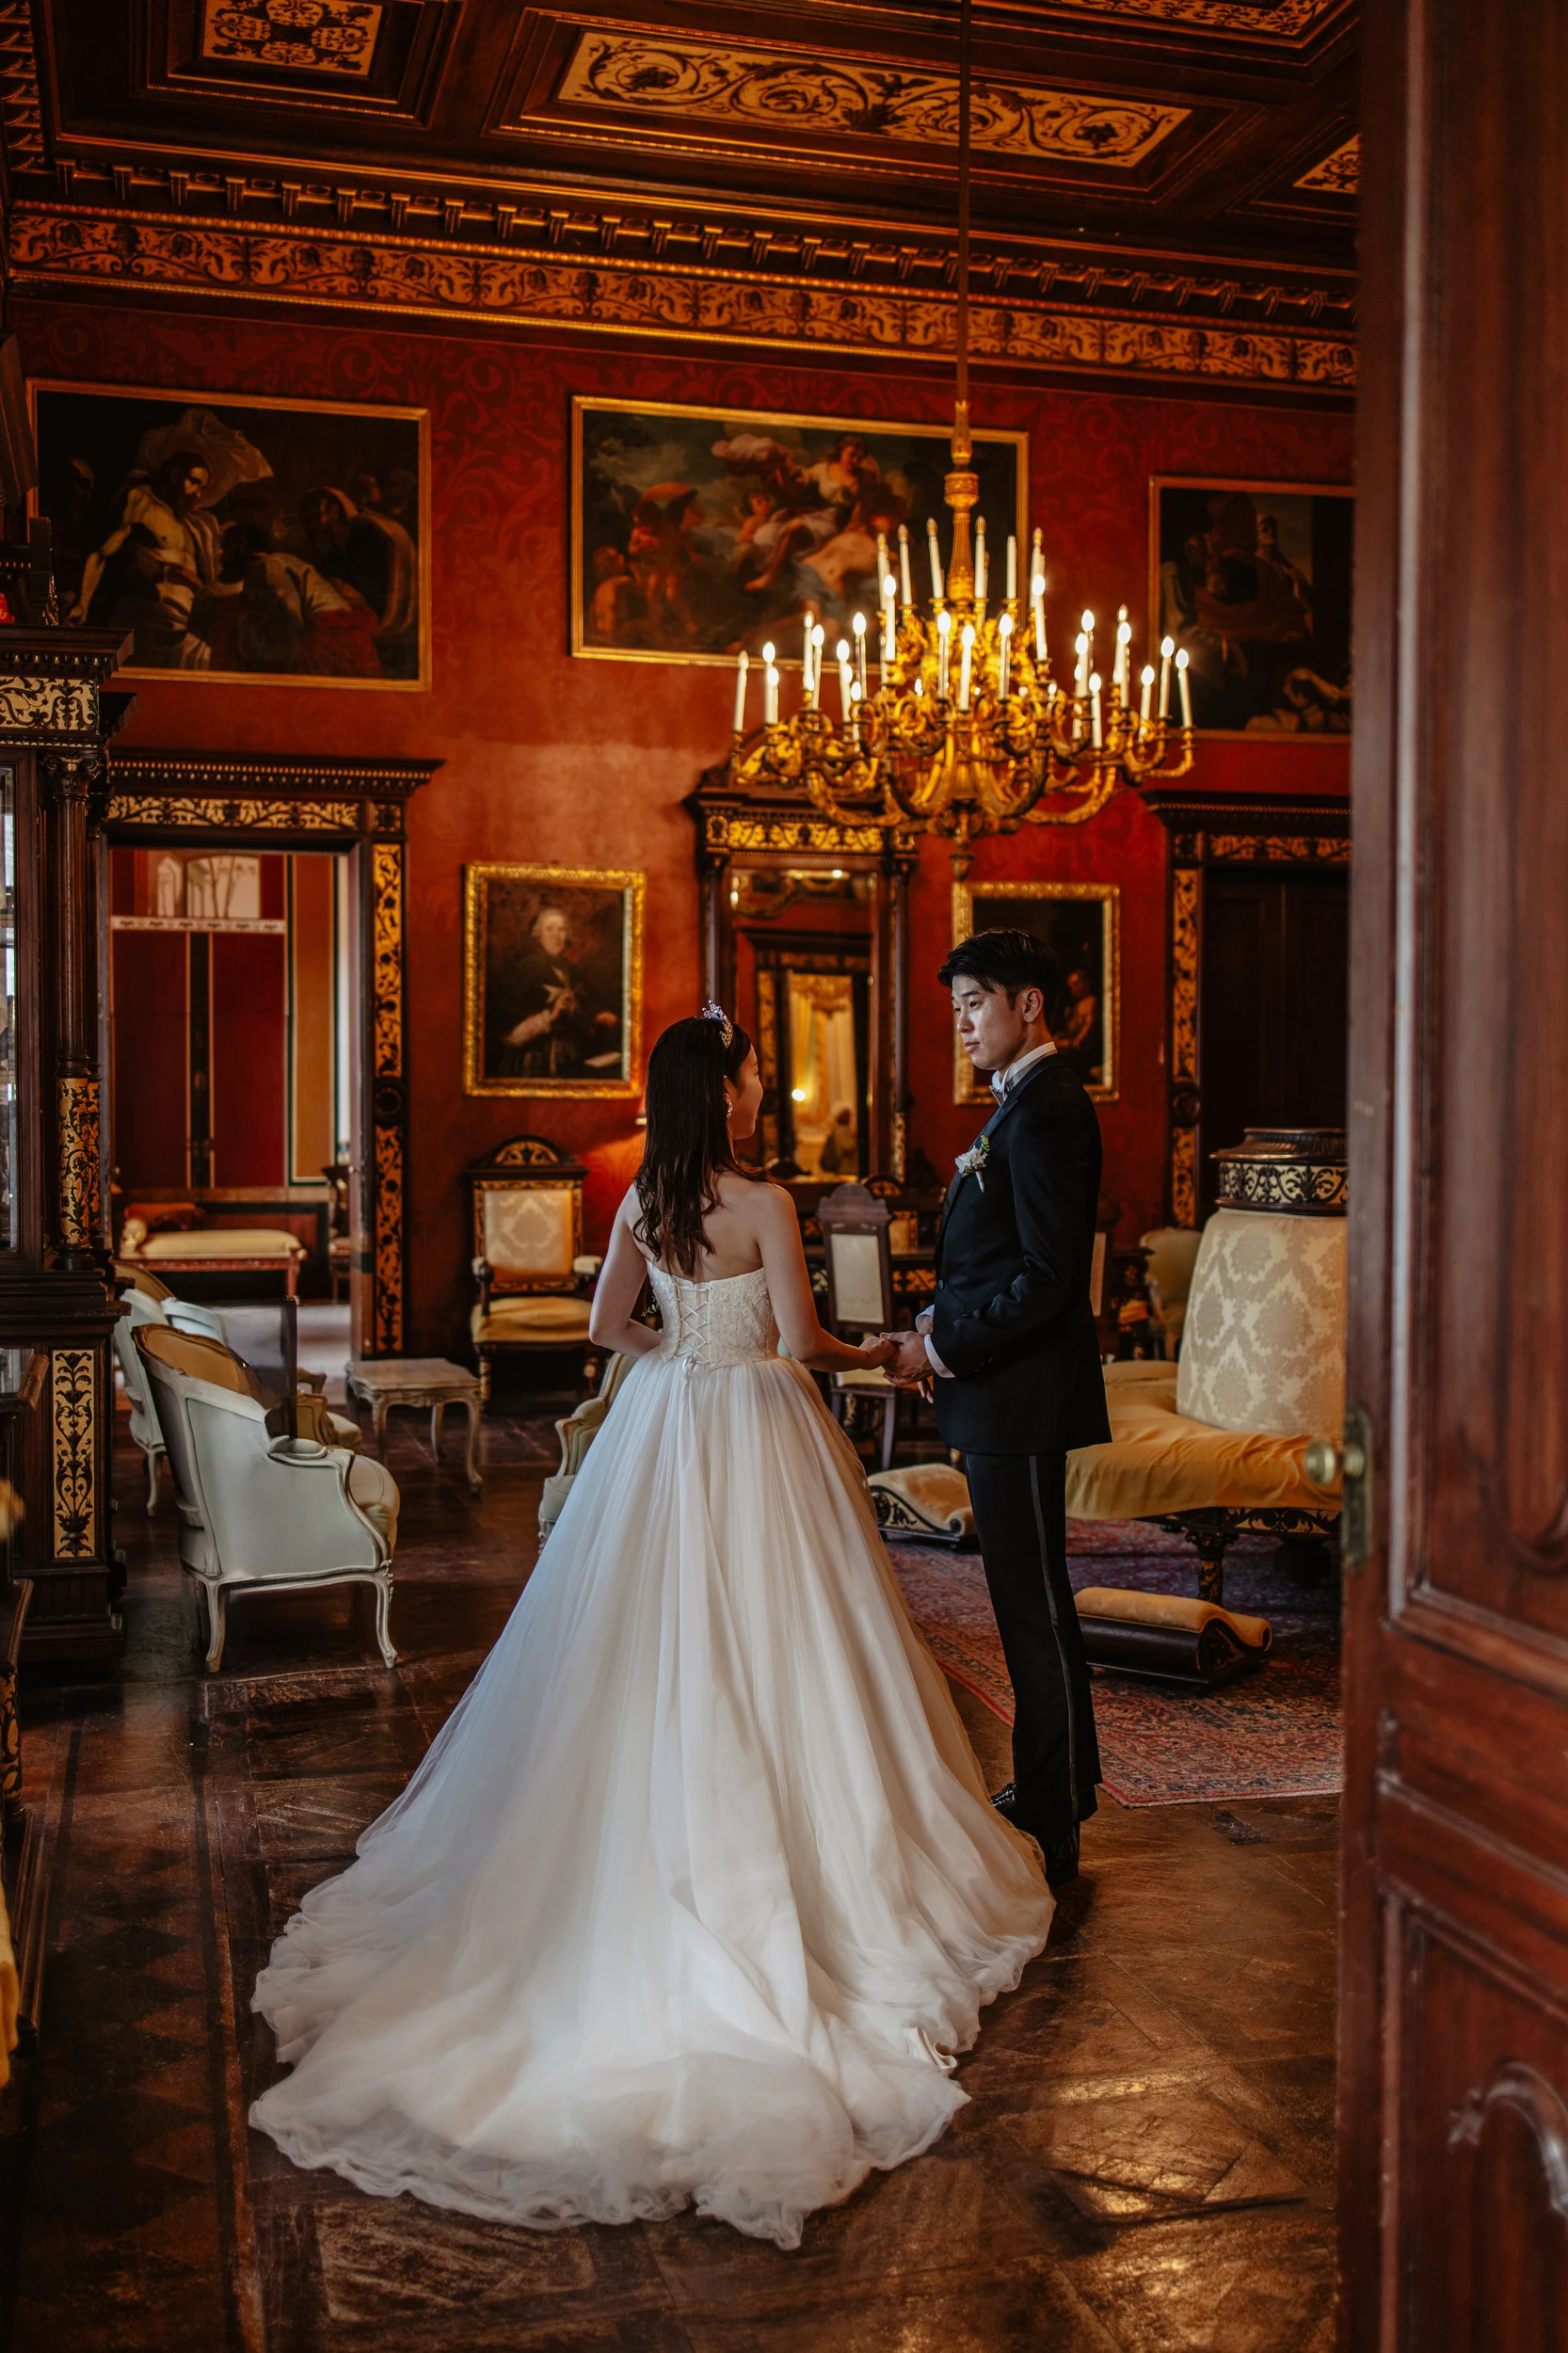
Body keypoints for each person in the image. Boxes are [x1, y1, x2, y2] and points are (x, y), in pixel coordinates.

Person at [249, 1008, 1053, 2247]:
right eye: (749, 1075)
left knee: (637, 1642)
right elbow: (803, 1342)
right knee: (791, 1643)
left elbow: (600, 1330)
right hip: (760, 1428)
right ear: (722, 1091)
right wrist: (883, 1354)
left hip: (665, 1420)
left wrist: (676, 1344)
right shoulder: (765, 1201)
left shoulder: (644, 1198)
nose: (758, 1089)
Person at [883, 931, 1111, 1888]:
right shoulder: (1021, 1102)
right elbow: (999, 1261)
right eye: (957, 1009)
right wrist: (942, 1318)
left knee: (1033, 1607)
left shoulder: (1049, 1106)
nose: (964, 1024)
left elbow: (1051, 1278)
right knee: (1026, 1603)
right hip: (1000, 1392)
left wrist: (939, 1348)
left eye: (975, 1003)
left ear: (1028, 1003)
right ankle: (1058, 1785)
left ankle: (1053, 1810)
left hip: (1021, 1399)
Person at [491, 904, 621, 1080]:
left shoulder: (571, 971)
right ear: (538, 935)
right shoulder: (522, 970)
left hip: (567, 1061)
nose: (556, 936)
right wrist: (550, 1017)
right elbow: (510, 1033)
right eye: (550, 929)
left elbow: (581, 1009)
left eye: (561, 930)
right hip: (531, 1063)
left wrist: (596, 1016)